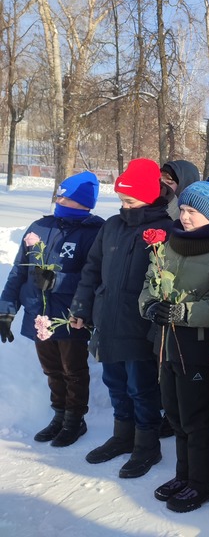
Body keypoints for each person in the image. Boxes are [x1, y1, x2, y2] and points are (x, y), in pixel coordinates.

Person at [139, 181, 209, 512]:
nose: (184, 217)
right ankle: (185, 475)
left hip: (199, 347)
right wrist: (150, 306)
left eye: (192, 212)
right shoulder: (170, 245)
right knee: (174, 414)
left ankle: (206, 481)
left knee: (197, 417)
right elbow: (149, 284)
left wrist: (186, 312)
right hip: (168, 344)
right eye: (182, 209)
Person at [69, 158, 174, 479]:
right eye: (121, 199)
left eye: (130, 200)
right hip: (107, 318)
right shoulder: (111, 226)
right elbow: (91, 270)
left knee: (141, 387)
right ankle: (122, 436)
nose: (124, 205)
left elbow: (168, 280)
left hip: (140, 324)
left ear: (148, 195)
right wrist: (81, 308)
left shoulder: (165, 230)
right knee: (114, 382)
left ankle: (147, 445)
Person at [0, 171, 104, 447]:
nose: (58, 199)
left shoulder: (95, 232)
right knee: (51, 369)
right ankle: (59, 414)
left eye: (64, 196)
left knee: (74, 370)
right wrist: (6, 309)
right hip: (38, 314)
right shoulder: (39, 227)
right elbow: (18, 273)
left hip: (71, 316)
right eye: (59, 195)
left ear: (80, 201)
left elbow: (96, 278)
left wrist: (59, 281)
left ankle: (74, 420)